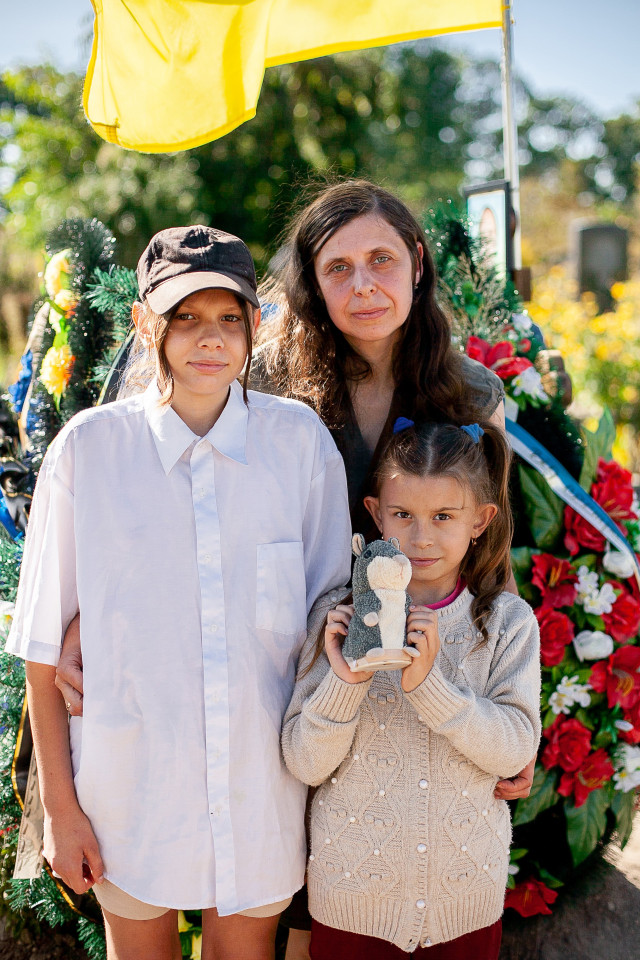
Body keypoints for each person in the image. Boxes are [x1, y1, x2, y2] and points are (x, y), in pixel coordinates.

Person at [54, 181, 536, 956]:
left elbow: (489, 553)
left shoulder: (472, 394)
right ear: (311, 282)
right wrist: (89, 612)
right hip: (296, 673)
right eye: (337, 267)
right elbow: (154, 463)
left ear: (416, 261)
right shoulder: (266, 371)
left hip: (424, 670)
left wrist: (510, 707)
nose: (363, 284)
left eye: (381, 259)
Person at [7, 226, 351, 960]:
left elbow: (329, 616)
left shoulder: (297, 445)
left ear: (256, 326)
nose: (210, 339)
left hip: (262, 787)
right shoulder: (89, 453)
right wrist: (61, 813)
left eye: (229, 317)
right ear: (144, 323)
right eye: (185, 317)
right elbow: (40, 649)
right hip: (128, 790)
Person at [282, 418, 542, 958]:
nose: (421, 537)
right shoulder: (337, 617)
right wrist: (346, 681)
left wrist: (432, 689)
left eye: (443, 517)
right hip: (351, 902)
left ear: (481, 520)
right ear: (376, 514)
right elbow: (305, 763)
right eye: (403, 515)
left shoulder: (506, 623)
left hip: (466, 903)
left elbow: (516, 747)